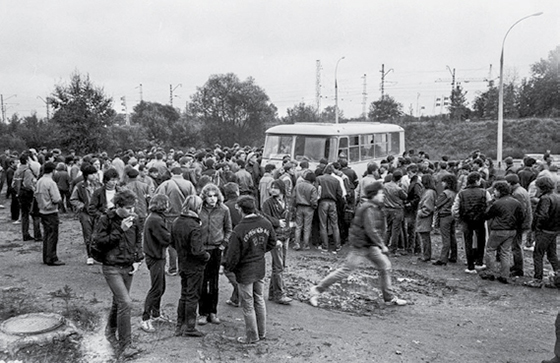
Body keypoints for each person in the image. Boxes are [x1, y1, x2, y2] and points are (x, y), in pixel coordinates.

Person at [309, 182, 407, 307]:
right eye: (381, 193)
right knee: (345, 271)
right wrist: (382, 245)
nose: (383, 196)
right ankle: (316, 290)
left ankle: (389, 297)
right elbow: (371, 229)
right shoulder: (369, 208)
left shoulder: (374, 207)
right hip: (361, 246)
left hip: (369, 245)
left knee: (385, 266)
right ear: (374, 195)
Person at [91, 189, 144, 359]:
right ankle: (125, 345)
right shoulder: (105, 219)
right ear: (118, 206)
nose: (131, 212)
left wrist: (138, 259)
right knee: (126, 302)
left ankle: (110, 330)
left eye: (133, 208)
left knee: (118, 302)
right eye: (128, 208)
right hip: (111, 266)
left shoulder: (134, 220)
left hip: (128, 265)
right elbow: (99, 242)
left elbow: (137, 240)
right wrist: (120, 230)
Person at [224, 196, 277, 344]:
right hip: (259, 266)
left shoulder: (239, 229)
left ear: (240, 209)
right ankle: (262, 333)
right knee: (259, 299)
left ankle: (252, 336)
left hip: (245, 270)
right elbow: (272, 242)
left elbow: (233, 255)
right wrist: (259, 251)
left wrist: (229, 268)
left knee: (248, 303)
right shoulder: (265, 223)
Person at [172, 195, 211, 337]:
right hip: (194, 265)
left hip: (182, 262)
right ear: (198, 207)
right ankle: (189, 327)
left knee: (184, 294)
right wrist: (206, 256)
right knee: (193, 296)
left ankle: (180, 324)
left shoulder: (177, 221)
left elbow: (172, 242)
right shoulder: (195, 226)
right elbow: (197, 250)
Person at [197, 183, 232, 326]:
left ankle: (213, 312)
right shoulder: (199, 210)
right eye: (209, 196)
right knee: (202, 282)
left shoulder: (224, 210)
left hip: (216, 249)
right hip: (202, 250)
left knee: (214, 282)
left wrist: (223, 244)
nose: (212, 199)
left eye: (215, 196)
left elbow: (229, 229)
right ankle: (202, 313)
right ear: (204, 198)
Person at [477, 181, 523, 284]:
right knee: (505, 252)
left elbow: (487, 215)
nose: (494, 192)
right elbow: (521, 217)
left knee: (490, 249)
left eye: (495, 190)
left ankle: (490, 272)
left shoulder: (497, 203)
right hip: (512, 230)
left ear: (499, 191)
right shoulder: (516, 202)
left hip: (498, 230)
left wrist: (490, 203)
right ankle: (504, 275)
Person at [154, 166, 197, 276]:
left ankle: (173, 268)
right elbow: (195, 201)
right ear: (181, 174)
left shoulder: (165, 184)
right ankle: (184, 267)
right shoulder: (189, 184)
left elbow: (158, 199)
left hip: (170, 217)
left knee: (172, 243)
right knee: (185, 242)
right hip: (186, 216)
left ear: (171, 173)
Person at [140, 194, 172, 333]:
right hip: (155, 256)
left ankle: (156, 313)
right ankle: (145, 318)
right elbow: (166, 238)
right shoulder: (156, 220)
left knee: (160, 286)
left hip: (156, 255)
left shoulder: (154, 217)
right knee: (156, 288)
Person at [452, 172, 492, 274]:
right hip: (480, 220)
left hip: (466, 220)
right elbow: (490, 206)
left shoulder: (461, 193)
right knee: (481, 241)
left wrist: (458, 219)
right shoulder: (485, 192)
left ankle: (470, 266)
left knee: (468, 242)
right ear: (477, 180)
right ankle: (479, 262)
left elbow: (455, 209)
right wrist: (486, 217)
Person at [525, 176, 560, 288]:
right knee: (552, 254)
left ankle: (537, 279)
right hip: (554, 230)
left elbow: (542, 215)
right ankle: (558, 276)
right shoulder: (557, 197)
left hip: (544, 230)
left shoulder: (545, 199)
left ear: (541, 187)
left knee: (538, 254)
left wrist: (535, 229)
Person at [262, 180, 293, 305]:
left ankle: (272, 293)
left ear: (281, 189)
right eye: (271, 188)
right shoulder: (268, 203)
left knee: (279, 264)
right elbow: (264, 217)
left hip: (285, 235)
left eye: (275, 187)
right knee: (278, 266)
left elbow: (291, 216)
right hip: (275, 237)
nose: (272, 190)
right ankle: (279, 294)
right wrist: (276, 222)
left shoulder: (288, 201)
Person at [70, 164, 100, 265]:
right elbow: (73, 199)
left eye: (95, 173)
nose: (95, 176)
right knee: (88, 235)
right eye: (92, 174)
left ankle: (99, 255)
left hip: (97, 213)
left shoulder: (99, 185)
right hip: (85, 214)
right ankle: (90, 255)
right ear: (87, 175)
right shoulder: (79, 186)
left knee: (98, 234)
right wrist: (82, 205)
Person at [35, 162, 63, 266]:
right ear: (53, 171)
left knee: (46, 235)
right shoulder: (51, 183)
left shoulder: (40, 181)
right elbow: (56, 198)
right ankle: (52, 258)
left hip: (42, 210)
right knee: (53, 235)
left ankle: (46, 257)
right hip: (51, 211)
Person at [506, 174, 532, 277]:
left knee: (516, 246)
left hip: (520, 224)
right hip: (524, 222)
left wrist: (514, 224)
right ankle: (517, 266)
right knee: (517, 245)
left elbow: (520, 211)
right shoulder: (521, 190)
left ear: (510, 183)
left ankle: (518, 268)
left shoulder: (517, 194)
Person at [13, 152, 42, 241]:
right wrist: (35, 190)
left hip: (20, 193)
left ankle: (25, 234)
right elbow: (29, 184)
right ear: (26, 160)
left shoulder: (17, 171)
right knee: (35, 214)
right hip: (28, 194)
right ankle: (37, 235)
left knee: (24, 214)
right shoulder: (27, 171)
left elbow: (13, 184)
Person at [316, 164, 344, 252]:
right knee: (335, 225)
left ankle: (325, 246)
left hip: (323, 202)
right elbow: (340, 193)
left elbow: (316, 191)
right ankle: (337, 246)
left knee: (323, 225)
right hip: (333, 203)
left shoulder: (319, 179)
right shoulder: (336, 180)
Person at [433, 174, 458, 265]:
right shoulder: (455, 192)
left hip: (444, 216)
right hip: (452, 215)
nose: (442, 183)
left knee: (445, 238)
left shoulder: (445, 193)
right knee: (452, 236)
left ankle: (443, 258)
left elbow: (437, 204)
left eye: (443, 181)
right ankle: (454, 256)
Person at [383, 170, 407, 254]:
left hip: (387, 209)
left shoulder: (384, 185)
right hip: (397, 210)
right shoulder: (398, 189)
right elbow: (405, 197)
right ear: (399, 179)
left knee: (388, 229)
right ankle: (393, 248)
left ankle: (384, 245)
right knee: (395, 231)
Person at [293, 172, 318, 250]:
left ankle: (297, 244)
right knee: (307, 227)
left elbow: (293, 197)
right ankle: (305, 245)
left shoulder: (298, 185)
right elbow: (313, 200)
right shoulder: (313, 188)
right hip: (308, 208)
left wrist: (294, 206)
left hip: (299, 207)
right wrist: (314, 206)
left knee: (298, 226)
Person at [416, 174, 437, 262]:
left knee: (425, 237)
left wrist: (420, 212)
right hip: (424, 217)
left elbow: (428, 207)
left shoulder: (429, 193)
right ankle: (425, 254)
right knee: (424, 237)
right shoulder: (429, 191)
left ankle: (426, 255)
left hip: (425, 218)